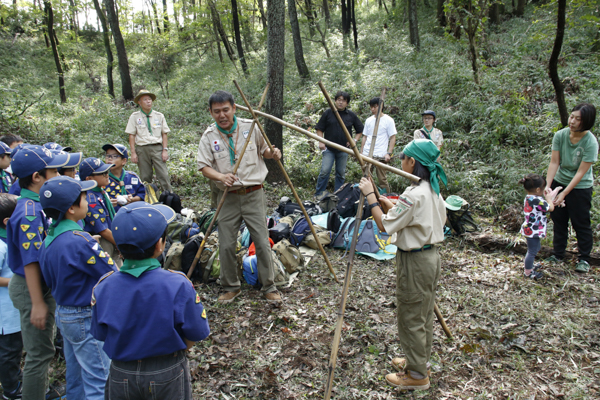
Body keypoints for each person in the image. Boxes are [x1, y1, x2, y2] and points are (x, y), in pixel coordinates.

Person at [91, 202, 210, 399]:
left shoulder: (103, 287)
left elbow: (101, 333)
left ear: (118, 247)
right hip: (167, 370)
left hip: (121, 372)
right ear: (159, 245)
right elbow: (195, 332)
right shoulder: (177, 284)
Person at [358, 139, 446, 390]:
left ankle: (417, 376)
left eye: (404, 158)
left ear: (413, 162)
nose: (401, 163)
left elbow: (385, 225)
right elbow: (425, 217)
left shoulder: (414, 194)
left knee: (411, 315)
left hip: (415, 261)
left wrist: (372, 199)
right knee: (423, 312)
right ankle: (419, 361)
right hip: (430, 257)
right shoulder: (431, 189)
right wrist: (391, 204)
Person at [196, 90, 282, 303]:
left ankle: (269, 286)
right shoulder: (209, 136)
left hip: (254, 193)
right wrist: (220, 176)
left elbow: (265, 151)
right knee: (226, 244)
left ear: (234, 108)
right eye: (217, 111)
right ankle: (231, 287)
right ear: (211, 112)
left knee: (262, 241)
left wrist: (273, 153)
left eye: (226, 109)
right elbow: (204, 166)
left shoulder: (250, 126)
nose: (222, 115)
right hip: (227, 196)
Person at [39, 177, 116, 400]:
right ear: (72, 208)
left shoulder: (50, 237)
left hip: (65, 313)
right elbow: (109, 272)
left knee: (77, 375)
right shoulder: (79, 241)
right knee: (100, 378)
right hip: (85, 316)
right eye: (84, 198)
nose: (88, 202)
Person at [6, 145, 68, 400]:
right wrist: (38, 302)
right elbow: (31, 261)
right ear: (37, 177)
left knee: (42, 349)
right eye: (54, 171)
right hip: (32, 287)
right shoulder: (29, 213)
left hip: (39, 286)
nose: (59, 174)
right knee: (39, 354)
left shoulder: (36, 205)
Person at [545, 103, 598, 273]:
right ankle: (558, 254)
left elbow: (581, 172)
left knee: (580, 222)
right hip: (559, 182)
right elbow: (554, 162)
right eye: (572, 117)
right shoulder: (560, 135)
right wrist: (548, 186)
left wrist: (565, 193)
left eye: (578, 119)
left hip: (580, 187)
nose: (572, 121)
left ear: (587, 122)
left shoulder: (590, 142)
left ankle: (584, 258)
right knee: (559, 219)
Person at [315, 91, 364, 196]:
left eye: (343, 101)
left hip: (343, 149)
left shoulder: (350, 115)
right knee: (325, 171)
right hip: (329, 148)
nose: (340, 102)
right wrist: (321, 141)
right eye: (339, 100)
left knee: (340, 174)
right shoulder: (328, 113)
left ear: (347, 103)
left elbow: (360, 130)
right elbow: (319, 128)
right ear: (335, 101)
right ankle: (319, 194)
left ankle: (338, 195)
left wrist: (353, 141)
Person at [125, 89, 172, 192]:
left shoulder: (159, 116)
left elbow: (164, 133)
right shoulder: (134, 117)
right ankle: (149, 198)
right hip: (142, 149)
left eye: (149, 99)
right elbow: (131, 135)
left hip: (157, 148)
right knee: (145, 177)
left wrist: (165, 150)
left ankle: (170, 198)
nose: (148, 102)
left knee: (163, 175)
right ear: (139, 102)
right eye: (145, 99)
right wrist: (133, 153)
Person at [79, 157, 122, 268]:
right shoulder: (90, 198)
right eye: (102, 173)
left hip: (111, 236)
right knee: (110, 270)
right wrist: (120, 245)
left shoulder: (100, 191)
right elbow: (101, 229)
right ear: (88, 179)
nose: (107, 175)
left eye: (106, 172)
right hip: (104, 240)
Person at [0, 193, 23, 400]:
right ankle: (12, 391)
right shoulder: (1, 245)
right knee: (9, 352)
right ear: (8, 222)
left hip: (13, 310)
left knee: (14, 351)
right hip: (6, 314)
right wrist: (19, 282)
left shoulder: (9, 239)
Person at [519, 174, 555, 280]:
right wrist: (549, 199)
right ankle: (528, 272)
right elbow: (550, 208)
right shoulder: (537, 200)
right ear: (538, 189)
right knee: (532, 251)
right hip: (533, 230)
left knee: (536, 248)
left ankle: (529, 265)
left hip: (531, 229)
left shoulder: (529, 198)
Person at [360, 97, 397, 193]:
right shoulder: (369, 120)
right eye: (371, 107)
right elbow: (365, 136)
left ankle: (387, 199)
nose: (373, 109)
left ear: (380, 106)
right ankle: (367, 198)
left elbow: (392, 137)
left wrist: (389, 153)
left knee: (382, 179)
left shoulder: (388, 120)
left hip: (381, 154)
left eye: (375, 107)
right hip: (367, 153)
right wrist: (361, 151)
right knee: (366, 178)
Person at [102, 143, 146, 212]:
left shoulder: (132, 177)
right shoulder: (102, 178)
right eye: (108, 156)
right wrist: (108, 202)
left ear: (124, 161)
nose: (110, 158)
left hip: (131, 214)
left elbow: (142, 194)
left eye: (114, 156)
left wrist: (132, 199)